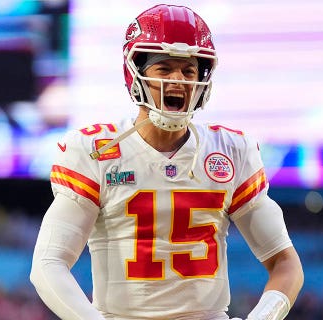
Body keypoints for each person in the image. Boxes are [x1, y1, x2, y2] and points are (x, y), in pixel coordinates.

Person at [30, 4, 304, 320]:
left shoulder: (231, 150)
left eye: (189, 70)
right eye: (164, 69)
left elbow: (285, 262)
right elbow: (49, 263)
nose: (179, 80)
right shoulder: (96, 151)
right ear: (136, 74)